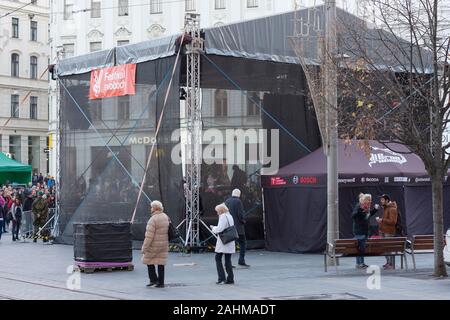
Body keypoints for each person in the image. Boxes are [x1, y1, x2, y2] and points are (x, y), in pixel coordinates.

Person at [141, 200, 169, 288]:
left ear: (154, 208)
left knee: (148, 260)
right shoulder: (165, 216)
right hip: (164, 244)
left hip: (154, 244)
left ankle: (153, 279)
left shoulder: (152, 219)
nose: (150, 208)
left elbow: (149, 236)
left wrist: (144, 248)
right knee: (161, 263)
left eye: (152, 207)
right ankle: (161, 282)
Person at [352, 193, 379, 269]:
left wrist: (375, 210)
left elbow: (368, 216)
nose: (371, 201)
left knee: (361, 248)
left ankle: (361, 263)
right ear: (365, 200)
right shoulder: (359, 206)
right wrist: (361, 210)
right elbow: (353, 215)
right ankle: (360, 263)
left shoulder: (366, 207)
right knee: (361, 248)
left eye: (371, 200)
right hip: (359, 231)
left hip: (363, 231)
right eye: (369, 200)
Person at [211, 203, 235, 285]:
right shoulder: (230, 216)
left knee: (218, 258)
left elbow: (220, 229)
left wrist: (213, 228)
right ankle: (230, 278)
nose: (217, 213)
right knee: (228, 260)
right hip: (230, 240)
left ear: (220, 211)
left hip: (223, 241)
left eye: (217, 211)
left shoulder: (223, 217)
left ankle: (221, 278)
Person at [225, 189, 249, 267]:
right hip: (238, 227)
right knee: (242, 243)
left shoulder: (227, 201)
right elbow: (240, 214)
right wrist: (243, 220)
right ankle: (241, 260)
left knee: (230, 245)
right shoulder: (238, 201)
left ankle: (227, 262)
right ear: (239, 194)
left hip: (229, 226)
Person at [376, 194, 398, 270]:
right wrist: (381, 222)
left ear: (387, 200)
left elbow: (393, 221)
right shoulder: (386, 208)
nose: (381, 201)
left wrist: (382, 220)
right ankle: (388, 262)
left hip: (389, 232)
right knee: (385, 249)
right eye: (381, 200)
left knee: (389, 249)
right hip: (384, 231)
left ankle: (391, 264)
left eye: (382, 200)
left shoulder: (392, 209)